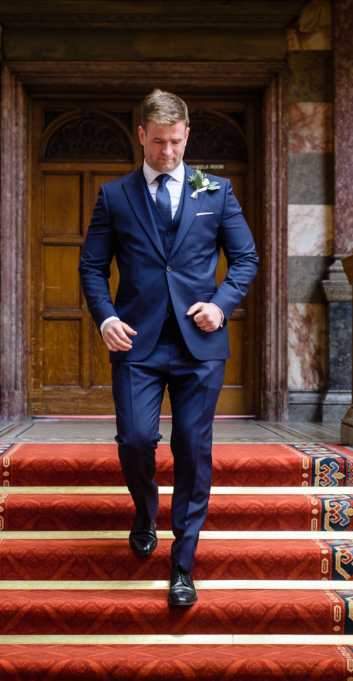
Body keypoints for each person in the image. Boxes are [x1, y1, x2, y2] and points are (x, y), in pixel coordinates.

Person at [78, 89, 258, 606]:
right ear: (141, 136)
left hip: (200, 344)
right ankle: (143, 509)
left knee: (192, 450)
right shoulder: (115, 195)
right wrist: (105, 316)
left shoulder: (216, 191)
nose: (168, 153)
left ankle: (183, 564)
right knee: (136, 440)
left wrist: (221, 304)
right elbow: (92, 265)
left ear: (186, 137)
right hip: (136, 342)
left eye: (176, 142)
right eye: (158, 143)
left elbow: (245, 258)